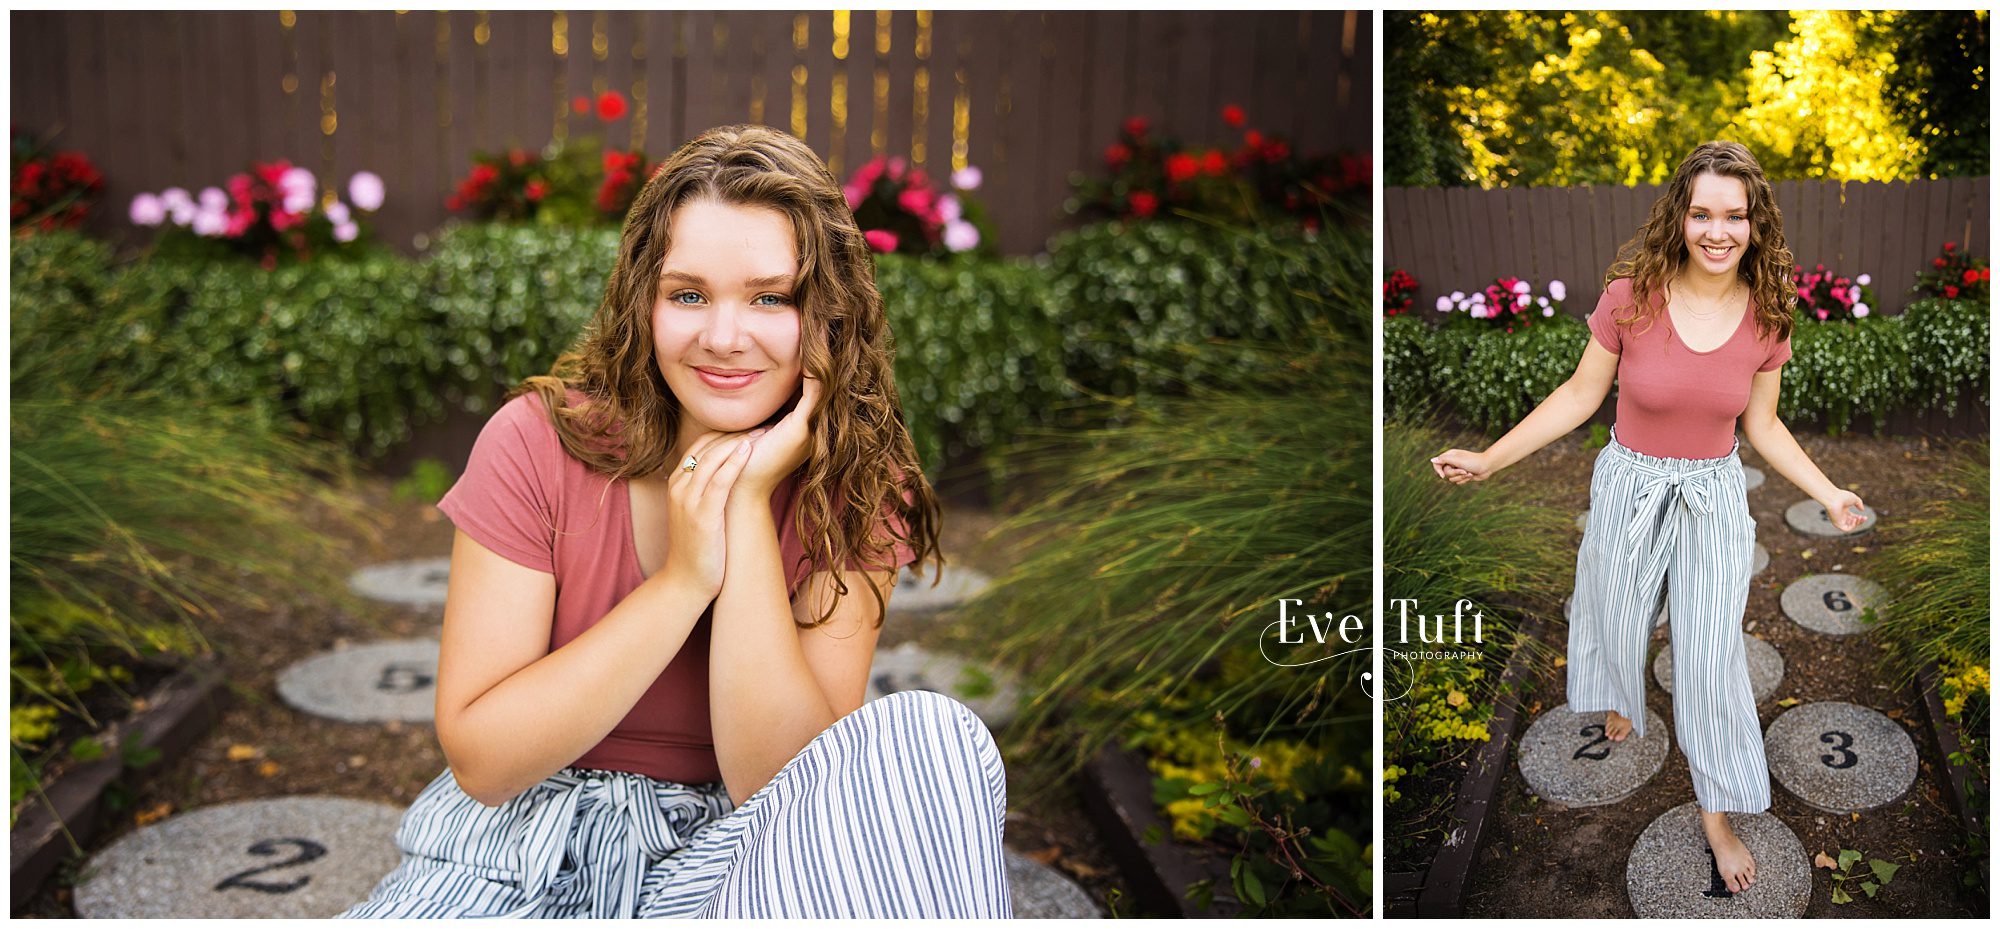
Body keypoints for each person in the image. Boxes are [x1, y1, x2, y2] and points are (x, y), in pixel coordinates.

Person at [341, 125, 1011, 918]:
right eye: (687, 294)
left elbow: (787, 779)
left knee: (935, 736)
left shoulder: (857, 481)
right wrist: (687, 578)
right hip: (516, 851)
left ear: (827, 314)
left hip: (736, 856)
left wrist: (748, 509)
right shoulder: (535, 444)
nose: (723, 338)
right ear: (644, 304)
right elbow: (484, 760)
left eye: (771, 296)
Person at [1428, 141, 1867, 895]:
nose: (1718, 231)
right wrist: (1492, 457)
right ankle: (1622, 701)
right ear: (1682, 216)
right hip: (1630, 484)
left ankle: (1717, 811)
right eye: (1702, 213)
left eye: (1735, 215)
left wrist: (1828, 492)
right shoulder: (1633, 296)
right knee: (1617, 615)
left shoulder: (1766, 317)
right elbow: (1577, 395)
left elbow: (1764, 426)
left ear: (1756, 224)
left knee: (1708, 655)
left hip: (1713, 495)